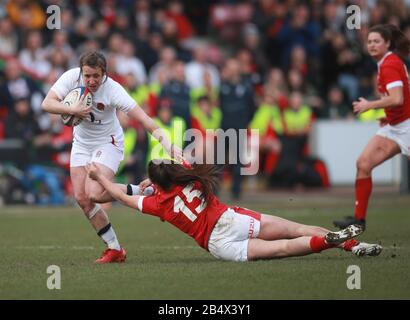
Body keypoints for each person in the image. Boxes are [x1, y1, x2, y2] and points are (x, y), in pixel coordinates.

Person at [41, 51, 183, 263]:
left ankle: (149, 191)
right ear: (81, 72)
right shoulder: (71, 77)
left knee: (95, 193)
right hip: (81, 144)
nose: (91, 81)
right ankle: (115, 249)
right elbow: (47, 103)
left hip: (108, 143)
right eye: (87, 75)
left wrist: (168, 144)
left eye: (96, 76)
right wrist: (72, 109)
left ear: (104, 73)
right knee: (82, 199)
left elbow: (144, 119)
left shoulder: (114, 89)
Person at [86, 160, 382, 262]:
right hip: (230, 219)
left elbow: (119, 196)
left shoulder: (157, 204)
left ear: (157, 184)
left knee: (283, 249)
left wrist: (100, 178)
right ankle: (352, 245)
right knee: (298, 229)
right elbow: (171, 169)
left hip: (218, 244)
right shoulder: (191, 177)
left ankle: (326, 244)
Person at [333, 24, 410, 230]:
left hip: (407, 125)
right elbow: (396, 100)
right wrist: (387, 116)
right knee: (364, 163)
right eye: (369, 42)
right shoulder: (385, 63)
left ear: (387, 44)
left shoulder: (389, 64)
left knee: (364, 163)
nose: (372, 45)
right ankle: (359, 221)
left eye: (377, 41)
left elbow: (397, 98)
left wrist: (369, 105)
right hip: (395, 126)